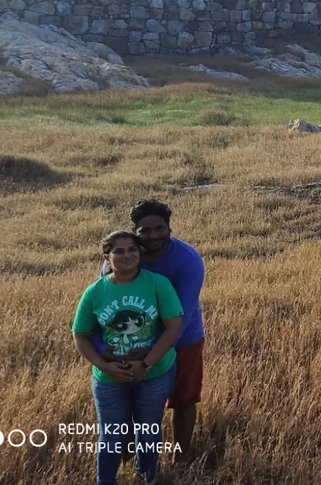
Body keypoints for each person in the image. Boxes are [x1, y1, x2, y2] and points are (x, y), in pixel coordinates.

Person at [96, 200, 207, 465]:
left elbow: (184, 313)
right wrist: (103, 347)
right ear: (135, 231)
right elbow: (103, 304)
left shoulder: (188, 259)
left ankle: (180, 459)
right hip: (129, 341)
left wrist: (153, 351)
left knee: (183, 400)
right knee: (129, 401)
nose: (153, 235)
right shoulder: (124, 256)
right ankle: (128, 458)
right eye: (145, 230)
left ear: (170, 228)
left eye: (160, 228)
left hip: (183, 340)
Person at [74, 231, 183, 485]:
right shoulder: (95, 291)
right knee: (111, 436)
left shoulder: (158, 284)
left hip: (153, 375)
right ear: (107, 257)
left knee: (147, 432)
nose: (127, 255)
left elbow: (173, 327)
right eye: (119, 251)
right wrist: (104, 366)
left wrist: (146, 364)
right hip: (109, 379)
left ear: (140, 252)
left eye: (132, 249)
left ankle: (147, 478)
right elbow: (80, 335)